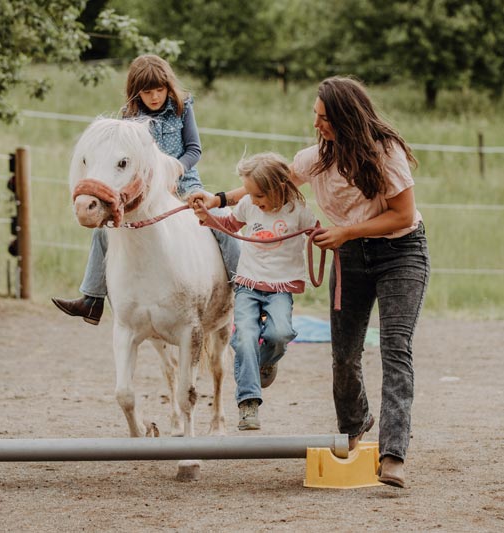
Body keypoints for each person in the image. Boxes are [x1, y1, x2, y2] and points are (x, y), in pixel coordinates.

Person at [189, 77, 429, 488]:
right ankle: (354, 428)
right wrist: (218, 200)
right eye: (315, 116)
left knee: (394, 347)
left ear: (345, 119)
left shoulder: (386, 154)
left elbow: (402, 216)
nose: (316, 124)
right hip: (349, 254)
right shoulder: (314, 159)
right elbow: (268, 186)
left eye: (323, 118)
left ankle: (393, 453)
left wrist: (346, 232)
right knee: (344, 355)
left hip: (400, 252)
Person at [52, 54, 239, 324]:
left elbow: (194, 149)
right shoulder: (130, 119)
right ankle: (92, 299)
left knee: (220, 220)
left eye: (159, 90)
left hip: (183, 182)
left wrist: (175, 168)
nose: (154, 97)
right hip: (144, 189)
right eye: (147, 92)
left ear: (168, 88)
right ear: (137, 92)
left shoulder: (182, 107)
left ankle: (242, 288)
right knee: (105, 231)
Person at [191, 152, 318, 431]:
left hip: (280, 288)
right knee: (245, 337)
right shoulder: (249, 205)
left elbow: (316, 232)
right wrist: (208, 216)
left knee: (279, 333)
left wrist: (329, 239)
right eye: (250, 194)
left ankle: (265, 363)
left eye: (259, 195)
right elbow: (230, 226)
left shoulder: (298, 211)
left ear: (279, 188)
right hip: (248, 284)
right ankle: (248, 401)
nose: (253, 200)